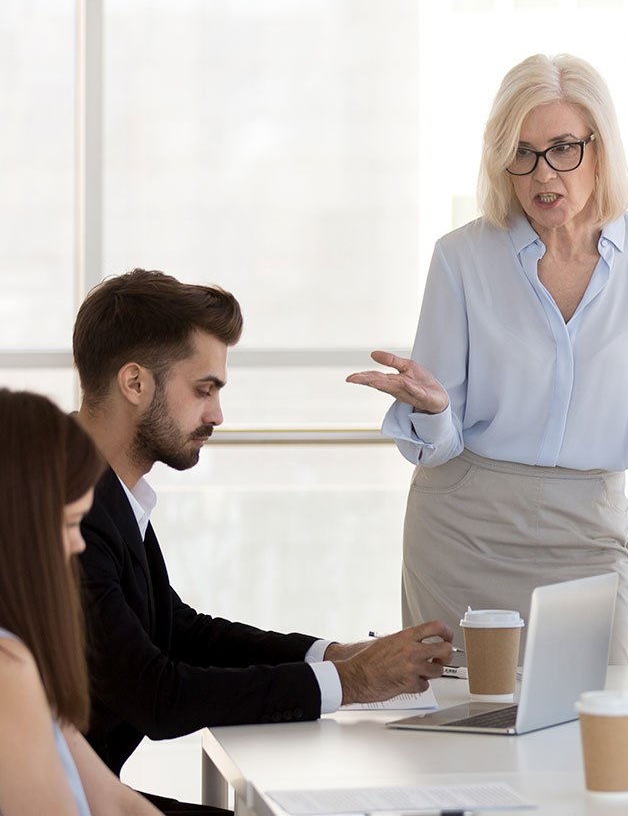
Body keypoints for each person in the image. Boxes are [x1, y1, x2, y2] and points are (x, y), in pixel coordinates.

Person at [347, 53, 628, 667]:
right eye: (522, 153)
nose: (543, 173)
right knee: (459, 734)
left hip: (588, 536)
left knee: (590, 733)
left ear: (601, 150)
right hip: (464, 528)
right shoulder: (462, 259)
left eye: (563, 148)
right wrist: (436, 413)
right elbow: (436, 446)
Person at [72, 269, 454, 814]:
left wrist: (333, 654)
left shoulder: (98, 487)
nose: (217, 415)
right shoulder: (67, 507)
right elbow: (154, 694)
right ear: (135, 384)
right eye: (204, 390)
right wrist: (351, 681)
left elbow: (175, 631)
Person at [0, 389, 158, 815]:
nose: (77, 543)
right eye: (70, 523)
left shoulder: (23, 659)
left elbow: (114, 802)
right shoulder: (7, 670)